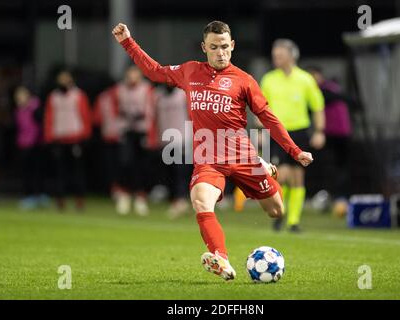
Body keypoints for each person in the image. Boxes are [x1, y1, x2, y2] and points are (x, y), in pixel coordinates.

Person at [112, 21, 313, 281]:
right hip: (208, 158)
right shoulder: (190, 71)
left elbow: (269, 118)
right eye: (214, 47)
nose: (221, 52)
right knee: (201, 203)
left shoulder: (244, 80)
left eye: (225, 47)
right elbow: (154, 72)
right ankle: (222, 259)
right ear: (204, 48)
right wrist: (128, 42)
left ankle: (266, 168)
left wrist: (294, 151)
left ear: (233, 46)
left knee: (276, 211)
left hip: (242, 156)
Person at [260, 39, 325, 233]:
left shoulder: (305, 79)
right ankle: (281, 211)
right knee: (282, 175)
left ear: (291, 56)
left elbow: (318, 107)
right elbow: (261, 108)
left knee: (298, 177)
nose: (275, 58)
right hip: (277, 132)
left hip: (300, 132)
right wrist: (260, 130)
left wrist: (319, 131)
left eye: (279, 55)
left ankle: (293, 222)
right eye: (274, 55)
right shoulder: (269, 79)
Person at [109, 66, 157, 216]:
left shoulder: (147, 89)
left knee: (142, 165)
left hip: (141, 131)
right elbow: (115, 109)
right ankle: (124, 195)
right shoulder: (119, 89)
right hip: (126, 131)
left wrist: (148, 131)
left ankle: (140, 197)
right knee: (125, 163)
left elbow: (151, 111)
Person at [44, 70, 92, 211]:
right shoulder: (53, 97)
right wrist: (49, 137)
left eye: (66, 79)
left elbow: (85, 116)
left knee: (78, 172)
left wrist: (85, 136)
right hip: (59, 139)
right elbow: (49, 118)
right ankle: (60, 200)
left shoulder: (78, 95)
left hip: (75, 139)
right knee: (60, 173)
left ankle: (80, 200)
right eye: (61, 79)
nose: (63, 82)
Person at [307, 66, 352, 201]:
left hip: (337, 134)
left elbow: (333, 98)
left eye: (313, 76)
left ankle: (339, 196)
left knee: (338, 166)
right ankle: (332, 195)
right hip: (331, 134)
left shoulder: (326, 90)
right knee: (330, 167)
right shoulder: (330, 89)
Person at [155, 84, 193, 218]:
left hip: (182, 138)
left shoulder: (182, 94)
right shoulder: (158, 95)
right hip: (165, 138)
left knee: (180, 170)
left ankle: (181, 199)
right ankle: (175, 199)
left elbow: (192, 114)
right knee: (169, 171)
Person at [14, 86, 47, 210]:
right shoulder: (18, 110)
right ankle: (29, 196)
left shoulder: (35, 107)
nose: (19, 98)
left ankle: (38, 196)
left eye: (22, 95)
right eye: (17, 97)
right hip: (23, 144)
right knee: (26, 171)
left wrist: (39, 140)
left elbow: (40, 125)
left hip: (36, 144)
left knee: (37, 171)